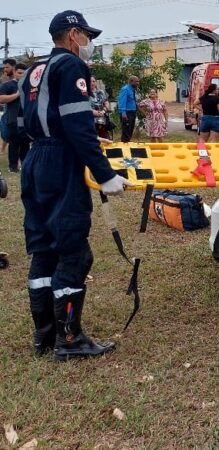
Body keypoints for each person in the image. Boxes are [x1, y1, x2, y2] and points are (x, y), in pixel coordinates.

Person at [20, 10, 134, 361]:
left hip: (35, 158)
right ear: (72, 35)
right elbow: (79, 126)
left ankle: (45, 336)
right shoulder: (70, 67)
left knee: (44, 250)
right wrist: (105, 174)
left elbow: (23, 123)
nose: (89, 43)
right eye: (86, 36)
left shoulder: (31, 72)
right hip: (60, 162)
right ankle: (69, 341)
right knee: (74, 251)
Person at [0, 63, 30, 172]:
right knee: (14, 144)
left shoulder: (30, 86)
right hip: (13, 120)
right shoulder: (8, 85)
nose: (22, 75)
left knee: (25, 144)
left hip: (26, 120)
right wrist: (16, 95)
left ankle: (25, 166)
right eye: (19, 73)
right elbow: (1, 99)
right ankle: (13, 167)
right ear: (15, 72)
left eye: (24, 73)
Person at [1, 59, 16, 159]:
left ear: (13, 67)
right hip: (6, 112)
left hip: (13, 114)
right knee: (5, 134)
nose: (5, 69)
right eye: (4, 67)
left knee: (10, 136)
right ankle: (2, 150)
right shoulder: (5, 80)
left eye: (7, 67)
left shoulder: (16, 82)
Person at [118, 75, 139, 142]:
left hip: (133, 112)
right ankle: (124, 146)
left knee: (130, 130)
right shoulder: (125, 89)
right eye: (136, 82)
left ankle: (128, 144)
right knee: (126, 131)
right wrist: (123, 113)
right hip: (127, 113)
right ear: (131, 81)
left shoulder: (133, 90)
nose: (138, 83)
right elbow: (122, 102)